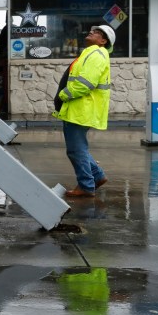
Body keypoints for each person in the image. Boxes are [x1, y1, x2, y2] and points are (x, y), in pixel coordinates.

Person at [54, 24, 115, 197]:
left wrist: (63, 95)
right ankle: (97, 176)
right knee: (79, 148)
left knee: (75, 150)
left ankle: (86, 186)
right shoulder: (91, 53)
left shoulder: (96, 54)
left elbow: (85, 84)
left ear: (103, 41)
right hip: (80, 109)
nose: (92, 32)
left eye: (98, 33)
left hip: (81, 109)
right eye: (93, 30)